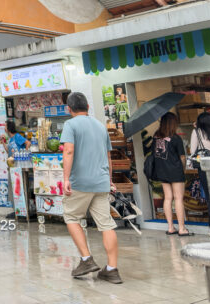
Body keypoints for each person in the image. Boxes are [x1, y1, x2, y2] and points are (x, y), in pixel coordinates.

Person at [60, 92, 122, 284]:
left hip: (81, 182)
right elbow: (108, 156)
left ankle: (86, 259)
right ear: (87, 107)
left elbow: (68, 151)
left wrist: (66, 178)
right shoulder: (100, 126)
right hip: (101, 183)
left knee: (71, 217)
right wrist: (109, 180)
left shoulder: (70, 124)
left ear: (68, 109)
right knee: (106, 224)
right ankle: (112, 269)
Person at [152, 112, 191, 237]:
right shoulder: (175, 138)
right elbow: (182, 157)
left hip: (162, 171)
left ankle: (170, 227)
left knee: (168, 198)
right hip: (175, 171)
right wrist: (183, 169)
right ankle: (182, 228)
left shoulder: (156, 137)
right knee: (178, 198)